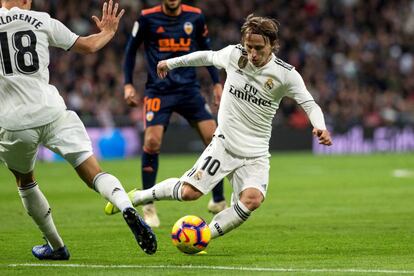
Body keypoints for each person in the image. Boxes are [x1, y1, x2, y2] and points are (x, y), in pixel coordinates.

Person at [121, 14, 333, 241]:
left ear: (272, 44)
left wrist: (320, 126)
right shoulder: (234, 55)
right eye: (248, 47)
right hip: (224, 144)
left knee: (252, 200)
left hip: (256, 153)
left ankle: (203, 236)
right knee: (189, 193)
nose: (252, 54)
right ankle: (140, 196)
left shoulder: (285, 75)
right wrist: (171, 63)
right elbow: (206, 56)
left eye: (259, 48)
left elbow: (309, 104)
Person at [0, 0, 156, 259]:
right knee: (94, 171)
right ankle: (125, 205)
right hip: (52, 112)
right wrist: (107, 32)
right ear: (26, 1)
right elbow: (88, 45)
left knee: (25, 181)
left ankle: (56, 246)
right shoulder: (41, 20)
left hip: (13, 122)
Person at [104, 0, 226, 226]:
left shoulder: (196, 17)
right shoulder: (147, 18)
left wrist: (216, 83)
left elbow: (207, 52)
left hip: (189, 90)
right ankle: (149, 206)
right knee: (151, 142)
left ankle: (218, 199)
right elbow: (130, 52)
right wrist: (128, 84)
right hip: (159, 91)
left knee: (214, 137)